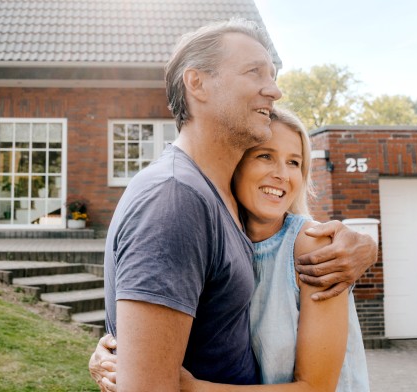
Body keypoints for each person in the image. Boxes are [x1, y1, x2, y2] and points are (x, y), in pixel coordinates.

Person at [99, 18, 377, 391]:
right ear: (197, 83)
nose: (275, 90)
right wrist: (127, 361)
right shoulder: (175, 199)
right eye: (255, 72)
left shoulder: (222, 199)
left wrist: (365, 245)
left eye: (274, 75)